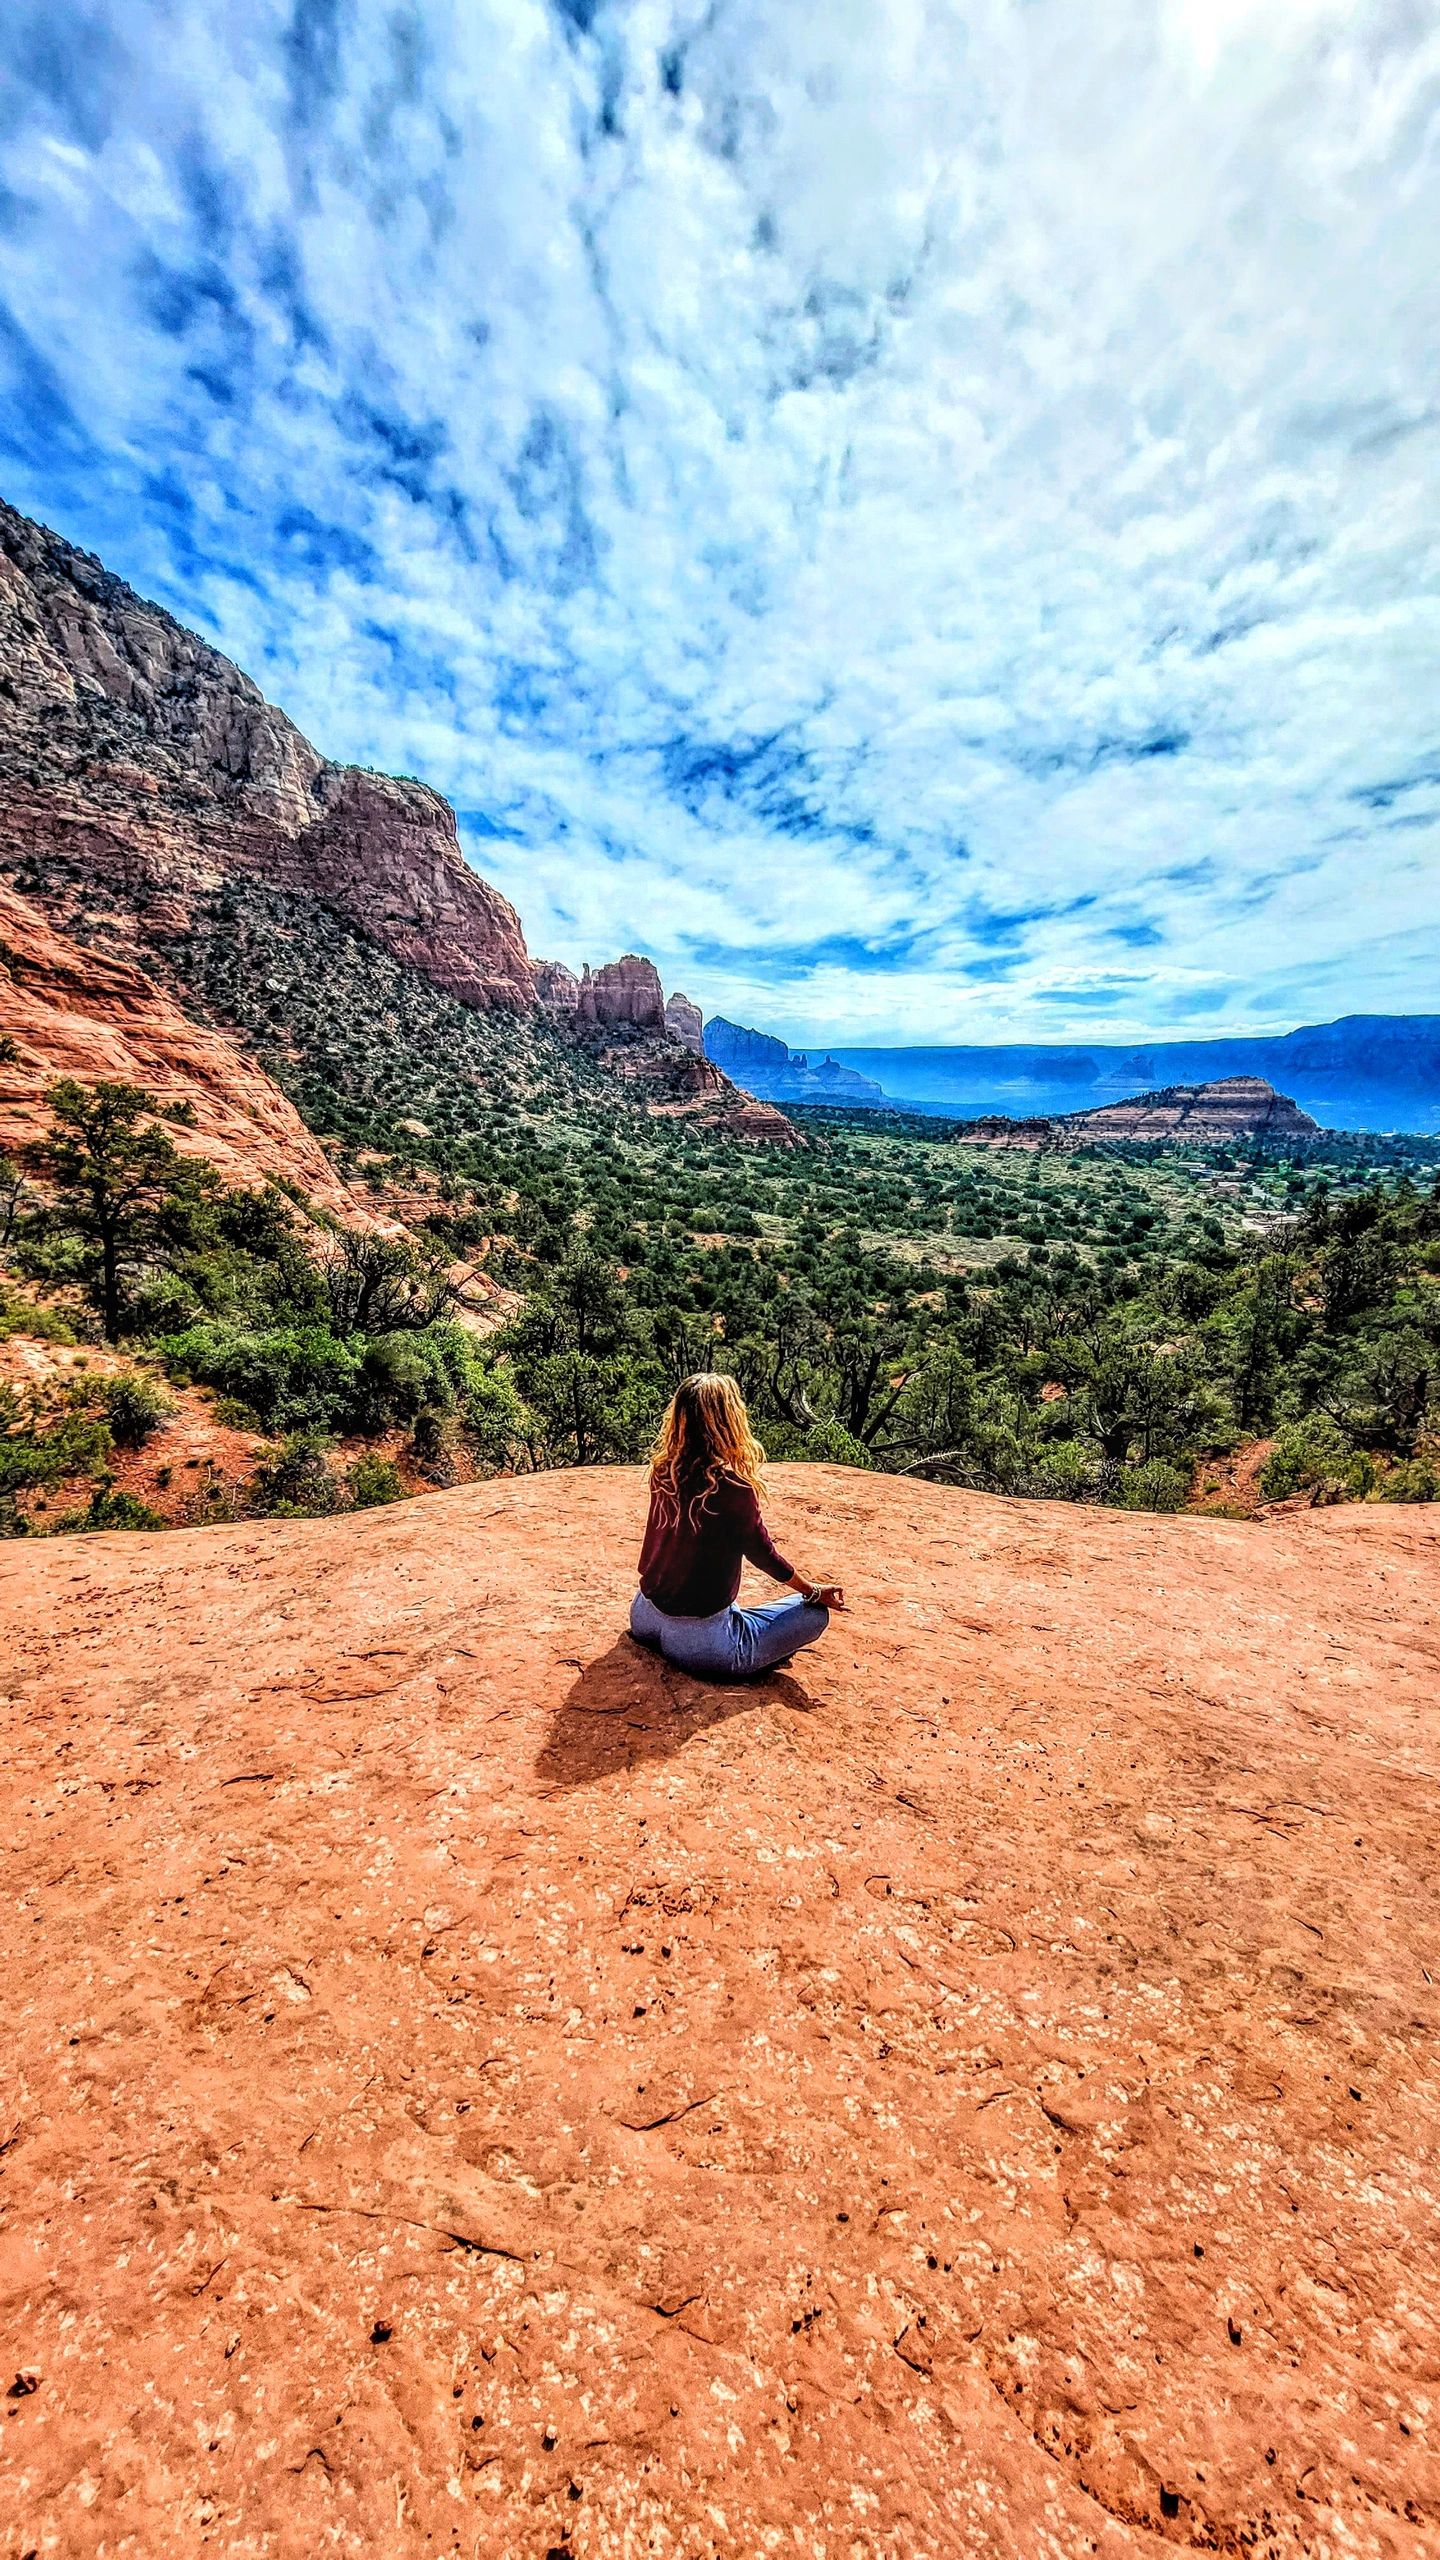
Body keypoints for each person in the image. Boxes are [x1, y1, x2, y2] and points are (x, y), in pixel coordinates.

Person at [630, 1373, 846, 1678]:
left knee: (741, 1610)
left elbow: (656, 1543)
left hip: (644, 1616)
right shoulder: (733, 1487)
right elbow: (763, 1553)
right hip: (701, 1644)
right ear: (729, 1419)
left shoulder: (664, 1471)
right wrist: (812, 1592)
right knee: (813, 1615)